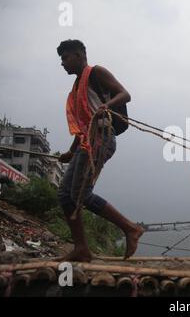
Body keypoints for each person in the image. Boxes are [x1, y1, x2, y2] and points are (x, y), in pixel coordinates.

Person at [56, 39, 143, 262]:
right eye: (61, 60)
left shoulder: (96, 72)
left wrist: (108, 104)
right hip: (86, 141)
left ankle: (131, 228)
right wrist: (70, 152)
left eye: (66, 58)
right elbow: (82, 126)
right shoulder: (75, 90)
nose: (63, 63)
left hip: (102, 138)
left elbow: (125, 94)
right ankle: (82, 248)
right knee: (65, 195)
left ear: (79, 55)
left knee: (80, 194)